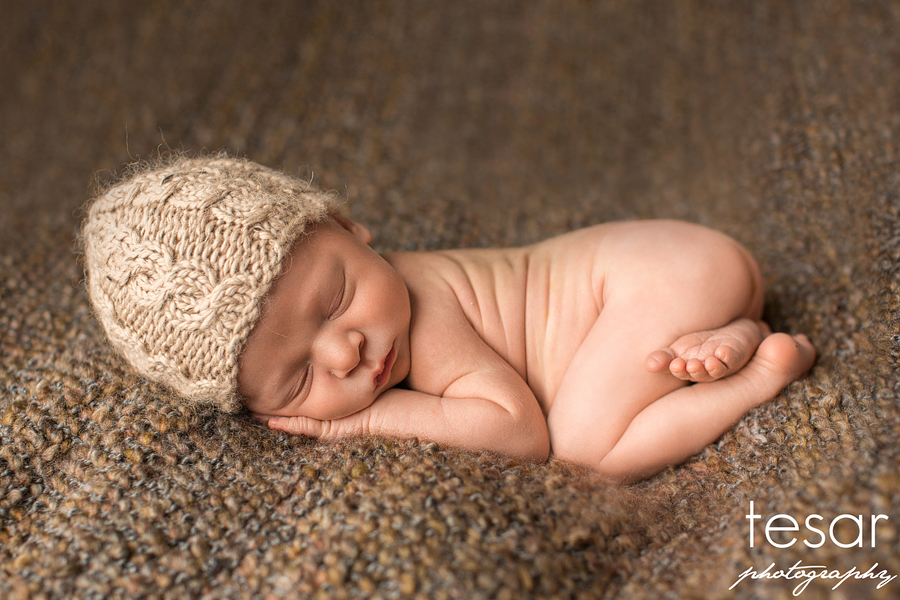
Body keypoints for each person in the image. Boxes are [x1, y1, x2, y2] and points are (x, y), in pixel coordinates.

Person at [82, 156, 815, 483]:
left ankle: (750, 378)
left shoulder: (420, 308)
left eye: (335, 300)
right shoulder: (375, 317)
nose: (346, 351)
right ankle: (731, 331)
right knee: (624, 388)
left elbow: (518, 431)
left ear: (349, 224)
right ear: (249, 408)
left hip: (653, 276)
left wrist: (364, 422)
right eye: (299, 376)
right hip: (684, 279)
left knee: (588, 449)